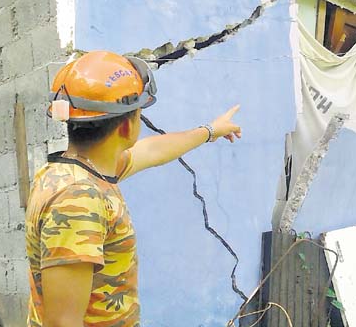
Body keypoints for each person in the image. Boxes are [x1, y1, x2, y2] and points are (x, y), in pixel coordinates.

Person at [25, 50, 242, 326]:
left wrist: (210, 130)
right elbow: (62, 322)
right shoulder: (78, 199)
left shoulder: (77, 172)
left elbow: (150, 150)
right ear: (127, 126)